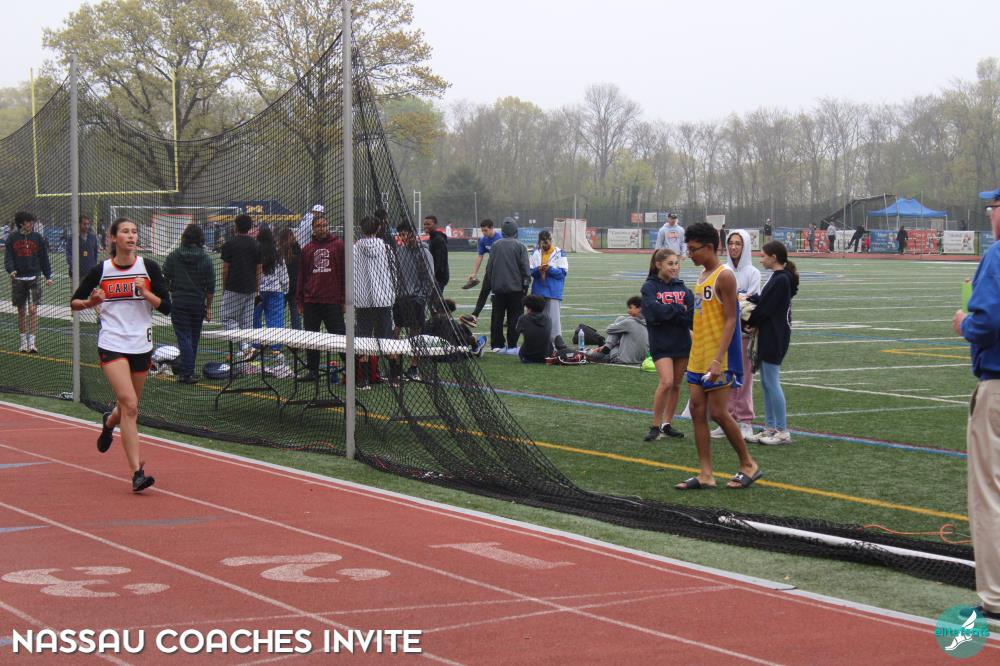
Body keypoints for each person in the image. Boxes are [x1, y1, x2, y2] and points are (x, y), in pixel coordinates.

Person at [70, 218, 171, 492]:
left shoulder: (149, 268)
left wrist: (146, 292)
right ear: (114, 238)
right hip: (112, 342)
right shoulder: (102, 270)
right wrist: (91, 302)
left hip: (141, 345)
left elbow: (167, 307)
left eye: (134, 232)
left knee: (127, 407)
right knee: (130, 405)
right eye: (125, 231)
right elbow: (74, 302)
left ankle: (109, 421)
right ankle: (137, 473)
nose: (131, 236)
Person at [675, 222, 761, 490]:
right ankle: (706, 473)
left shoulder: (724, 276)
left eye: (693, 249)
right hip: (698, 356)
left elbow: (731, 320)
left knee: (719, 413)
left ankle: (748, 464)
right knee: (697, 411)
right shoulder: (701, 275)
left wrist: (718, 358)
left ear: (709, 247)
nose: (690, 255)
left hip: (718, 358)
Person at [951, 186, 1000, 624]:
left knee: (989, 494)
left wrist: (965, 322)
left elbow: (987, 323)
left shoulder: (998, 256)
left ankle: (996, 599)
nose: (990, 215)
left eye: (992, 208)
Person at [744, 241, 799, 446]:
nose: (761, 259)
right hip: (770, 333)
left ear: (774, 257)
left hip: (775, 335)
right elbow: (764, 300)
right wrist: (750, 299)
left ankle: (782, 431)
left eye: (763, 256)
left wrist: (750, 321)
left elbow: (766, 308)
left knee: (772, 382)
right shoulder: (778, 277)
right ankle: (770, 427)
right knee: (767, 383)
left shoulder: (782, 279)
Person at [710, 230, 761, 441]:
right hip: (724, 333)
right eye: (730, 243)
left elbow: (751, 302)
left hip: (744, 333)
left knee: (745, 379)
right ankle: (727, 419)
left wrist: (737, 300)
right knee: (726, 377)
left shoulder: (753, 273)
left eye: (738, 243)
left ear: (745, 246)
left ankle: (745, 421)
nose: (733, 247)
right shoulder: (722, 271)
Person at [641, 248, 693, 441]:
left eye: (676, 263)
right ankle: (655, 426)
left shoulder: (682, 287)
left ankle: (667, 424)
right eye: (670, 263)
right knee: (666, 382)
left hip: (681, 341)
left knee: (676, 385)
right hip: (660, 342)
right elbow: (653, 313)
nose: (674, 267)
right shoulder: (649, 287)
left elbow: (691, 315)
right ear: (658, 265)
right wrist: (679, 309)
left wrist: (670, 312)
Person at [296, 211, 346, 381]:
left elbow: (344, 273)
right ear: (313, 228)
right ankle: (313, 371)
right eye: (318, 226)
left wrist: (344, 300)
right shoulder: (307, 249)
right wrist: (300, 301)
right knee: (311, 337)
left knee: (339, 337)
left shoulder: (338, 245)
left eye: (324, 225)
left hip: (332, 301)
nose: (322, 228)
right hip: (311, 301)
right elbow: (302, 276)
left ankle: (352, 369)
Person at [163, 223, 215, 384]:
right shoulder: (205, 259)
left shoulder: (174, 256)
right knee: (193, 338)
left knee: (184, 337)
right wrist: (208, 307)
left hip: (179, 302)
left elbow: (165, 279)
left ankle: (187, 373)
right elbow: (211, 287)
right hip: (197, 303)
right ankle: (188, 371)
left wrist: (171, 291)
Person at [391, 220, 435, 382]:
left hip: (416, 299)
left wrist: (421, 297)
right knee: (396, 329)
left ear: (412, 234)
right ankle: (395, 365)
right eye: (400, 235)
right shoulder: (399, 251)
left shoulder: (424, 253)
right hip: (400, 298)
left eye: (404, 234)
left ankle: (414, 366)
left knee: (415, 333)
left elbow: (429, 277)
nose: (402, 238)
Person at [354, 215, 395, 387]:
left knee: (363, 339)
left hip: (362, 300)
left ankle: (364, 380)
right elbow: (393, 272)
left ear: (361, 229)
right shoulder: (386, 248)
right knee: (388, 339)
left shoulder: (354, 249)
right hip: (383, 299)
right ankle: (394, 378)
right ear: (378, 228)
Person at [4, 211, 53, 353]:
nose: (31, 224)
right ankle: (23, 343)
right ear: (21, 223)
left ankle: (32, 344)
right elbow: (8, 257)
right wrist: (11, 270)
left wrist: (48, 276)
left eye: (32, 221)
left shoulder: (37, 237)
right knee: (21, 311)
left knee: (33, 310)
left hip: (34, 278)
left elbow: (44, 257)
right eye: (28, 222)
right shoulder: (12, 238)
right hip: (18, 280)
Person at [486, 218, 531, 353]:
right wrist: (525, 287)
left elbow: (489, 268)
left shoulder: (495, 245)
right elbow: (525, 269)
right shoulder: (520, 246)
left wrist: (493, 284)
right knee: (515, 318)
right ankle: (512, 344)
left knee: (497, 318)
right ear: (515, 231)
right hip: (516, 289)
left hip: (498, 289)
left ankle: (497, 345)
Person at [220, 213, 261, 353]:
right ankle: (247, 350)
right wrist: (257, 289)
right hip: (251, 288)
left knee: (227, 318)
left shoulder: (230, 244)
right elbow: (259, 269)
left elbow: (225, 269)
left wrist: (224, 287)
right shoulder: (256, 244)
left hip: (234, 287)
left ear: (236, 227)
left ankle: (245, 347)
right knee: (247, 322)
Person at [529, 229, 568, 350]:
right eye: (543, 243)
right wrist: (538, 270)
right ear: (539, 242)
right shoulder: (535, 253)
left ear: (551, 240)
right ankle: (539, 343)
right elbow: (530, 271)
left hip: (553, 291)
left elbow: (562, 273)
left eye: (547, 242)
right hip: (538, 291)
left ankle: (556, 344)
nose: (545, 245)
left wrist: (549, 269)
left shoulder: (559, 253)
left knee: (554, 320)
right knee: (538, 319)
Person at [252, 224, 288, 353]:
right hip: (275, 290)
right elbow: (284, 274)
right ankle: (275, 346)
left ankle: (255, 344)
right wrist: (285, 289)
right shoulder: (277, 252)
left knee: (254, 318)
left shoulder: (255, 251)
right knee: (276, 318)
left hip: (257, 291)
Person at [586, 296, 648, 365]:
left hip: (622, 359)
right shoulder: (649, 322)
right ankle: (605, 347)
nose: (628, 311)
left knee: (620, 319)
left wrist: (623, 321)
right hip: (641, 360)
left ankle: (603, 348)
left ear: (639, 309)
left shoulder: (629, 322)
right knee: (620, 326)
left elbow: (609, 329)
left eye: (630, 308)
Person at [515, 294, 552, 363]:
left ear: (529, 308)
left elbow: (517, 331)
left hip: (527, 357)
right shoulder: (548, 318)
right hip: (546, 357)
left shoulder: (523, 318)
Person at [277, 228, 302, 329]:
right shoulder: (297, 250)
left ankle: (277, 335)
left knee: (278, 315)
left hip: (282, 287)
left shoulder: (279, 252)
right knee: (295, 315)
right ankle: (297, 336)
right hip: (294, 287)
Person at [465, 218, 499, 289]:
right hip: (491, 266)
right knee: (486, 288)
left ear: (491, 228)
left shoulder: (500, 238)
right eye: (482, 230)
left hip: (502, 266)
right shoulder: (483, 240)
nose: (483, 232)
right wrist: (474, 273)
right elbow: (480, 256)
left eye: (485, 230)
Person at [65, 215, 101, 280]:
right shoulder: (72, 238)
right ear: (79, 224)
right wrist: (73, 266)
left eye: (88, 224)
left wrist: (94, 266)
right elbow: (68, 253)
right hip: (77, 273)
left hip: (90, 273)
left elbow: (95, 253)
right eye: (84, 224)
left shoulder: (93, 237)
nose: (86, 226)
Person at [423, 214, 449, 296]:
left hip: (439, 277)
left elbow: (439, 261)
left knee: (435, 301)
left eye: (428, 224)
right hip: (436, 276)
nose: (425, 226)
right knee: (434, 300)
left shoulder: (438, 240)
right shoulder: (433, 238)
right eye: (424, 224)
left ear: (435, 225)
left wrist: (432, 277)